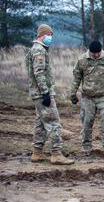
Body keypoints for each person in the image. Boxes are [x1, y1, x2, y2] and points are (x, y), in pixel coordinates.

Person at [25, 24, 75, 165]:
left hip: (38, 93)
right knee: (53, 122)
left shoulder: (36, 49)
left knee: (41, 123)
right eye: (49, 35)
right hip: (42, 94)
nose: (50, 37)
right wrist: (45, 93)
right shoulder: (39, 50)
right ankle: (56, 154)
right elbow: (39, 73)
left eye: (51, 35)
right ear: (41, 35)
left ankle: (37, 152)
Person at [70, 40, 104, 156]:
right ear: (90, 52)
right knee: (86, 122)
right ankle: (86, 147)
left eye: (98, 53)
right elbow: (76, 78)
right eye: (94, 53)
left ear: (101, 51)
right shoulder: (82, 60)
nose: (96, 55)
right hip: (87, 97)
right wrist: (73, 93)